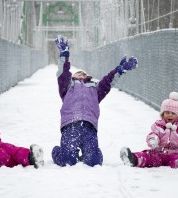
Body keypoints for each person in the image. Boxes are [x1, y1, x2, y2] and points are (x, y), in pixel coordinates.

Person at [52, 35, 138, 167]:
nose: (81, 75)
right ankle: (58, 152)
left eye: (84, 74)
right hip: (71, 125)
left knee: (94, 161)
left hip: (89, 126)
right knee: (68, 160)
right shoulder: (67, 87)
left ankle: (89, 153)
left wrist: (119, 70)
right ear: (73, 77)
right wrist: (64, 53)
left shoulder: (94, 89)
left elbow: (108, 81)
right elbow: (63, 71)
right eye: (78, 73)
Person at [120, 91, 178, 169]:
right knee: (147, 156)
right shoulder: (159, 125)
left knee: (176, 160)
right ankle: (132, 159)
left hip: (175, 153)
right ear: (162, 114)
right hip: (158, 153)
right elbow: (153, 133)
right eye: (167, 112)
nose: (170, 115)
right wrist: (153, 139)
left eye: (173, 113)